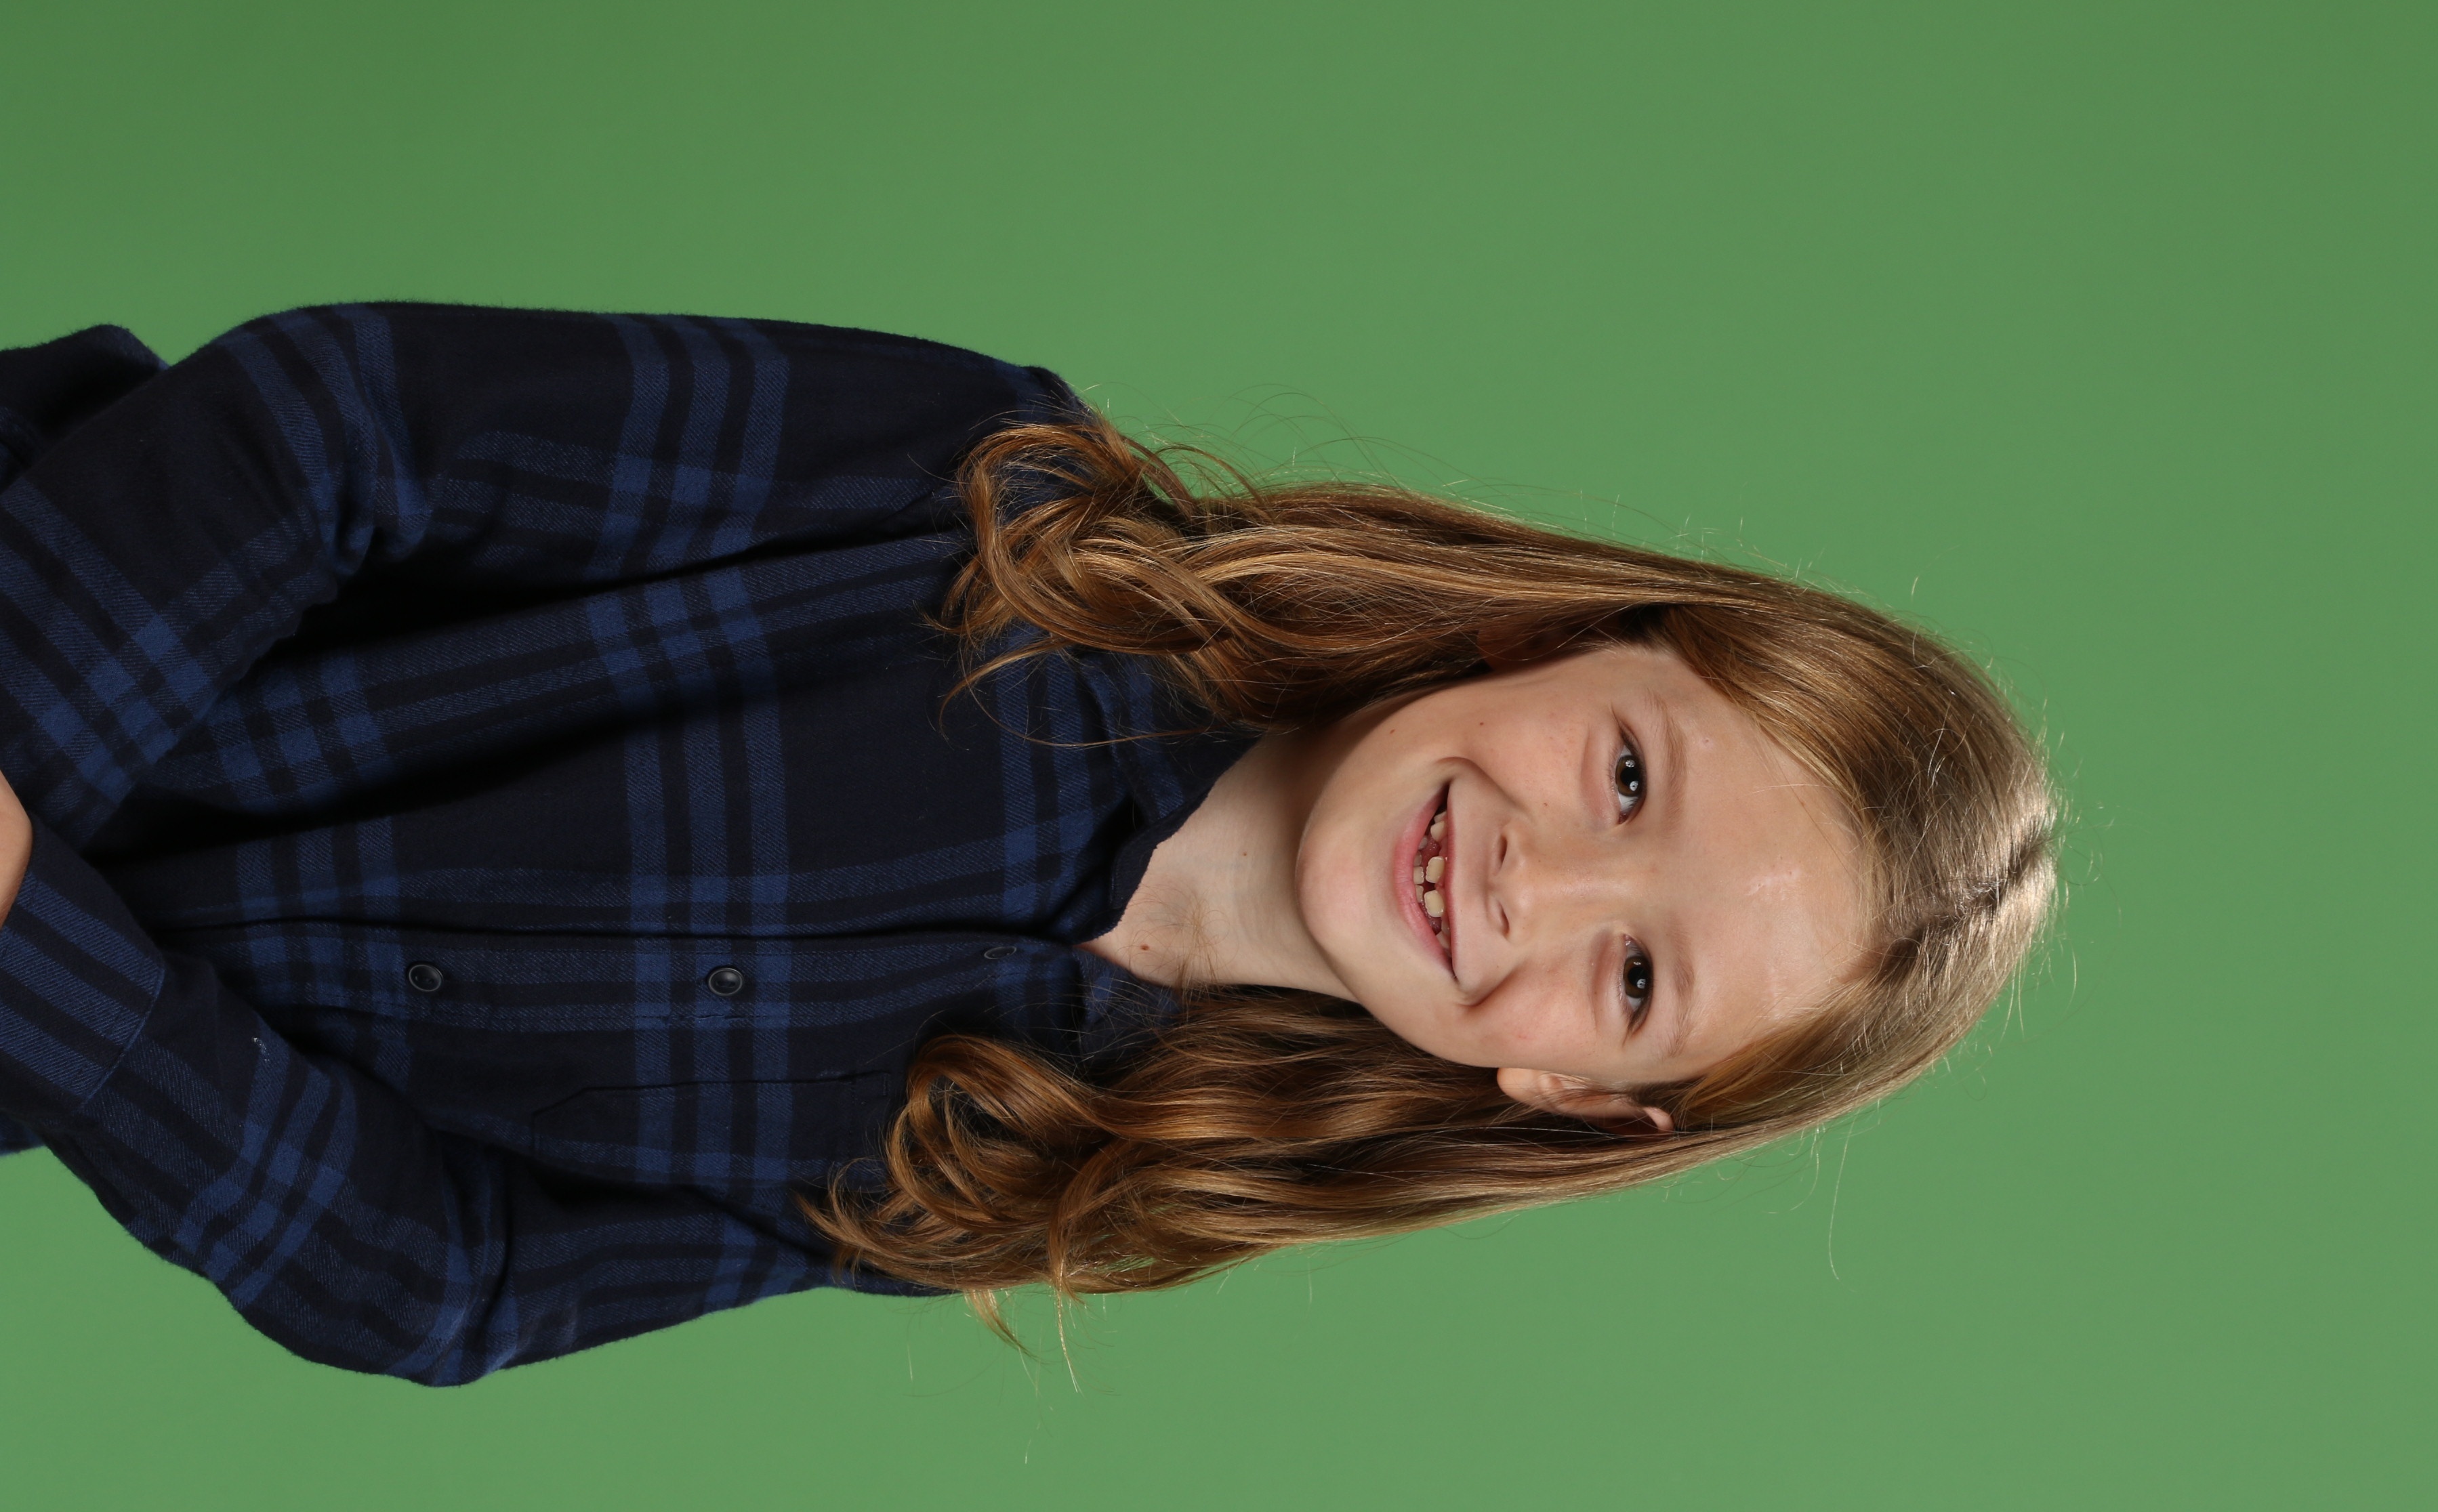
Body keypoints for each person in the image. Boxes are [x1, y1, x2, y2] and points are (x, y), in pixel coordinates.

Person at [0, 304, 2055, 1385]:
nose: (1545, 882)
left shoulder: (1014, 1166)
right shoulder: (988, 500)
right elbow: (346, 429)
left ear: (1579, 1095)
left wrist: (44, 952)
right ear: (1571, 636)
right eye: (1626, 779)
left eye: (1637, 976)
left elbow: (459, 1279)